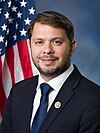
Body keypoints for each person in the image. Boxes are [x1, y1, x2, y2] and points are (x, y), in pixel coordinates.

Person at [0, 11, 100, 133]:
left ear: (72, 47)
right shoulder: (18, 92)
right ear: (30, 46)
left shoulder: (94, 98)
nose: (47, 50)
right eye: (39, 42)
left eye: (56, 42)